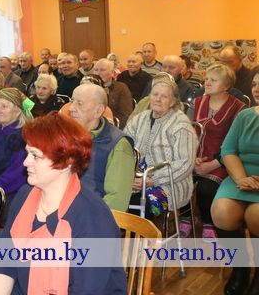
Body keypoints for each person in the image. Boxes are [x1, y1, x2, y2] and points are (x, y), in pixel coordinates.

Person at [0, 112, 127, 294]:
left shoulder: (93, 217)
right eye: (27, 153)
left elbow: (85, 290)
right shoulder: (25, 197)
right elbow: (5, 265)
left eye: (35, 156)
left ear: (66, 162)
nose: (25, 162)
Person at [178, 63, 245, 241]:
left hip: (223, 160)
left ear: (226, 85)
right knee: (181, 180)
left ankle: (209, 222)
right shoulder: (197, 102)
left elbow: (236, 144)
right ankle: (186, 217)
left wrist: (213, 164)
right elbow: (187, 132)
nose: (207, 82)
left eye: (213, 80)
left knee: (206, 188)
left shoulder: (238, 108)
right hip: (195, 156)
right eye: (206, 79)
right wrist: (192, 157)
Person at [210, 66, 259, 295]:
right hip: (240, 175)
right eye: (255, 84)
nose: (257, 89)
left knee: (256, 216)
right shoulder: (245, 116)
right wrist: (241, 178)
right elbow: (228, 150)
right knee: (221, 211)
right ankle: (241, 268)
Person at [124, 77, 198, 217]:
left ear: (173, 101)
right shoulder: (139, 119)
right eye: (155, 94)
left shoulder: (181, 125)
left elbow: (185, 164)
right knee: (111, 192)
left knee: (136, 203)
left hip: (170, 184)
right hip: (136, 178)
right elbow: (124, 147)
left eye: (164, 96)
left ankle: (138, 231)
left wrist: (153, 180)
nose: (158, 99)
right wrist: (127, 175)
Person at [69, 83, 135, 211]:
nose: (71, 108)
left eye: (79, 103)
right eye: (72, 101)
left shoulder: (118, 145)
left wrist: (81, 217)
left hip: (91, 215)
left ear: (98, 111)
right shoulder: (66, 135)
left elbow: (117, 201)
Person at [94, 58, 133, 128]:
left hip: (111, 126)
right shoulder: (88, 88)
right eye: (96, 70)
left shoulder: (121, 88)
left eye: (102, 70)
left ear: (112, 73)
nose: (98, 73)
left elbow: (125, 115)